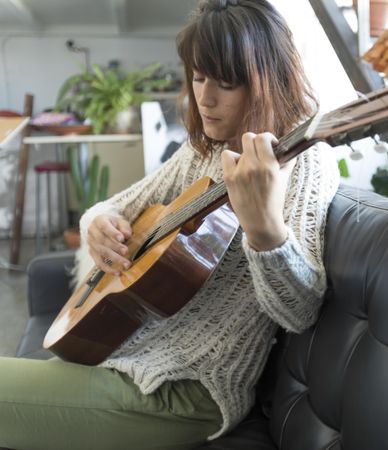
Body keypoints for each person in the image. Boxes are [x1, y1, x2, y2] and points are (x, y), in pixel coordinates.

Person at [0, 0, 339, 448]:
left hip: (186, 391)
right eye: (198, 78)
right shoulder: (202, 151)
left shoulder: (305, 162)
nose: (205, 98)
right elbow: (116, 205)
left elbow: (298, 312)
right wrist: (98, 223)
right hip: (126, 355)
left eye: (227, 84)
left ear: (266, 82)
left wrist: (266, 231)